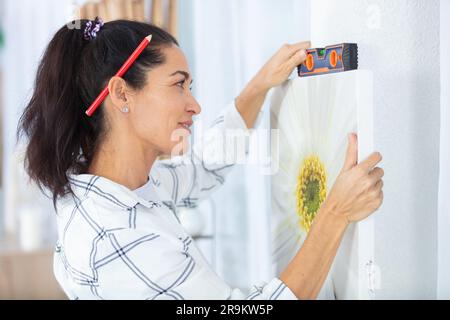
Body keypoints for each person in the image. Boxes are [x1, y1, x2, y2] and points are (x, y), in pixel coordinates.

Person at [17, 18, 384, 300]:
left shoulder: (116, 185)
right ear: (121, 94)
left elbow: (202, 169)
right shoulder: (119, 237)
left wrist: (258, 86)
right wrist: (335, 213)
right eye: (179, 84)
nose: (195, 105)